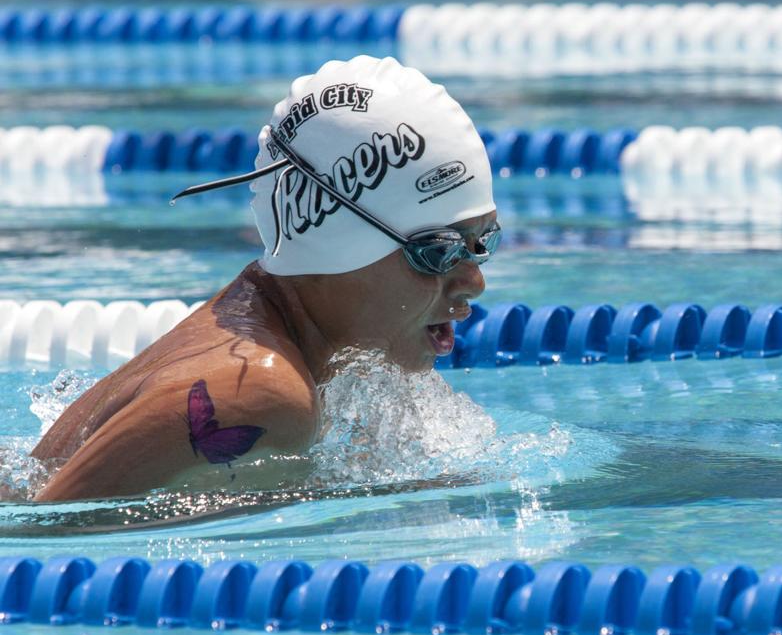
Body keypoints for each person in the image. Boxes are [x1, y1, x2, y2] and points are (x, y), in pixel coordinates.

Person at [31, 56, 500, 502]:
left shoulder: (256, 318)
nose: (474, 280)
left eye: (483, 242)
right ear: (334, 240)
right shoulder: (260, 392)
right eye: (438, 251)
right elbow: (39, 544)